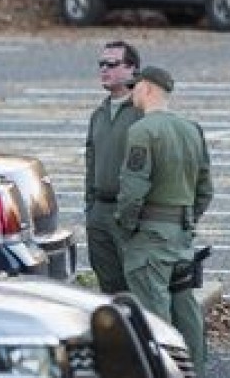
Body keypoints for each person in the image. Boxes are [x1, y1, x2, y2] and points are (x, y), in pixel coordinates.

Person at [115, 66, 214, 372]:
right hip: (181, 236)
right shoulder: (191, 129)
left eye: (135, 87)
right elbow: (205, 189)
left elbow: (133, 190)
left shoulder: (143, 131)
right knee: (186, 311)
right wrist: (186, 221)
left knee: (154, 319)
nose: (131, 93)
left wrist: (126, 225)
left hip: (150, 238)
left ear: (147, 89)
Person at [84, 40, 143, 295]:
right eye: (101, 64)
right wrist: (91, 209)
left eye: (112, 64)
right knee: (109, 289)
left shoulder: (142, 113)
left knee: (137, 287)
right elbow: (91, 162)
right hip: (100, 212)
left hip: (128, 213)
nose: (104, 69)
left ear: (132, 70)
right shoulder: (99, 114)